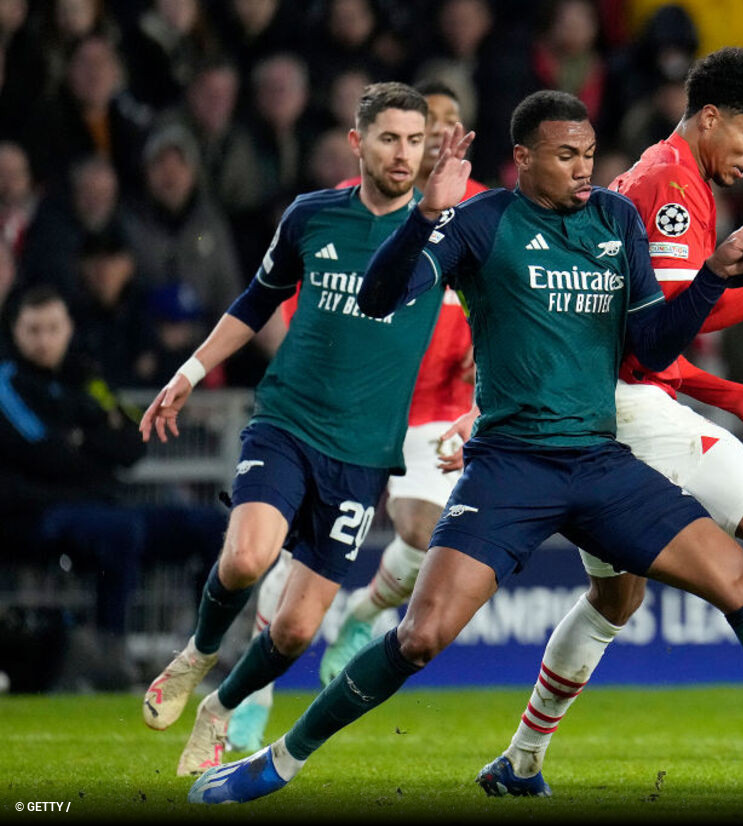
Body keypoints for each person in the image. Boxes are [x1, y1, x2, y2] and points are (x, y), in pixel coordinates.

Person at [186, 90, 743, 807]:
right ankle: (277, 761)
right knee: (420, 637)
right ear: (523, 158)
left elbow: (649, 348)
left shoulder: (615, 223)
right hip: (510, 466)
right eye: (565, 155)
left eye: (589, 153)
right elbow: (380, 295)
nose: (584, 168)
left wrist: (711, 278)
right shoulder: (480, 222)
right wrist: (425, 214)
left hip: (597, 461)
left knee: (741, 574)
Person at [477, 47, 743, 797]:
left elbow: (650, 328)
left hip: (597, 401)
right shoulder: (674, 188)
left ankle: (519, 763)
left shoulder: (659, 171)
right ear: (710, 116)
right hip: (624, 405)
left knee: (616, 599)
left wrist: (731, 386)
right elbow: (668, 332)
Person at [139, 82, 446, 778]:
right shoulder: (312, 215)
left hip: (363, 454)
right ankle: (196, 653)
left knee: (299, 628)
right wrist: (189, 372)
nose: (403, 154)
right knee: (247, 559)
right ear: (357, 143)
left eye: (415, 140)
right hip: (287, 421)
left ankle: (221, 708)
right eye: (389, 138)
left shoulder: (446, 236)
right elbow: (256, 301)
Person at [223, 79, 487, 754]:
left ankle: (364, 614)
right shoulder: (344, 216)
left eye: (439, 134)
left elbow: (503, 311)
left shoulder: (470, 218)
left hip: (433, 407)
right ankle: (250, 698)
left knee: (425, 530)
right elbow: (294, 307)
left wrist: (483, 378)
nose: (426, 148)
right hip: (343, 404)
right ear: (372, 141)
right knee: (275, 557)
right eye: (409, 135)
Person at [0, 285, 224, 690]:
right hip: (34, 516)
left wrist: (79, 438)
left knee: (212, 526)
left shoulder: (86, 377)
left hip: (101, 504)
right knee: (120, 531)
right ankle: (110, 658)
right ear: (15, 331)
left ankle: (203, 652)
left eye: (53, 328)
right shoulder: (7, 382)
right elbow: (44, 452)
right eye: (34, 330)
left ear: (68, 328)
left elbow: (133, 439)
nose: (44, 340)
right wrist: (91, 439)